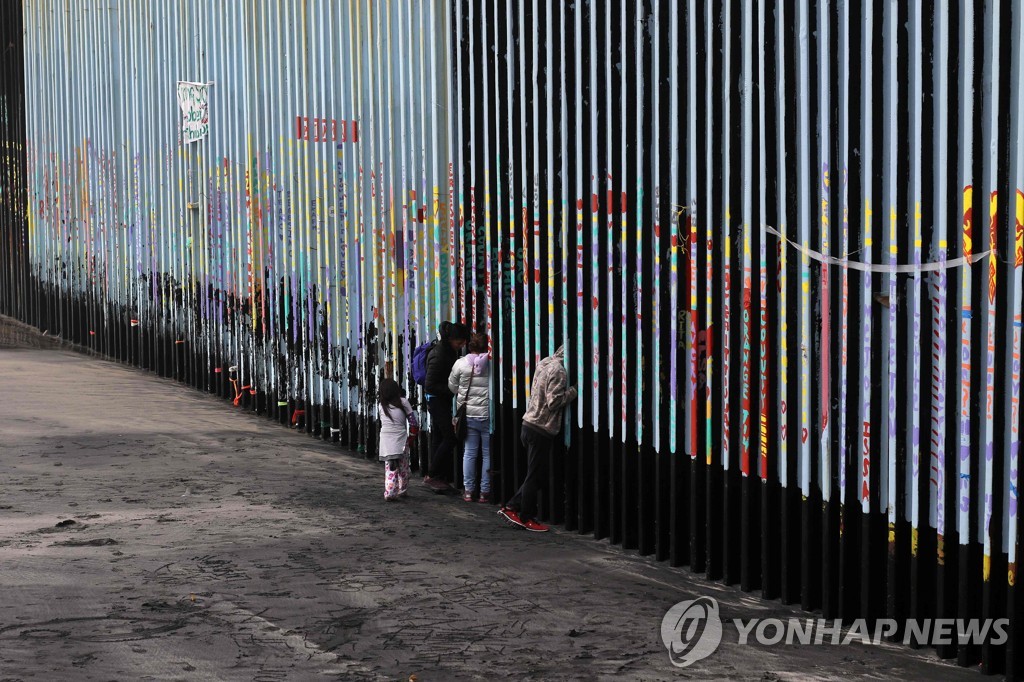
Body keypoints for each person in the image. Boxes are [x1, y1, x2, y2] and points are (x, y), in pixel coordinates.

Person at [499, 344, 577, 532]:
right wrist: (574, 390)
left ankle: (513, 506)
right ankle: (524, 516)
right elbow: (554, 402)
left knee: (537, 475)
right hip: (541, 429)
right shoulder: (560, 372)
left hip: (528, 425)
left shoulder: (545, 363)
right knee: (535, 476)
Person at [423, 320, 469, 492]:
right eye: (460, 341)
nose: (463, 344)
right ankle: (432, 474)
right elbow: (430, 384)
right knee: (450, 438)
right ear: (451, 339)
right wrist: (452, 390)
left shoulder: (448, 351)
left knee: (438, 438)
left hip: (438, 399)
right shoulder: (440, 354)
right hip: (436, 400)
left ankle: (438, 477)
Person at [449, 333, 492, 503]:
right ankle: (484, 492)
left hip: (468, 415)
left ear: (470, 346)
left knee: (470, 453)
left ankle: (468, 491)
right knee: (487, 455)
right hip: (487, 415)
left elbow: (452, 386)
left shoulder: (460, 364)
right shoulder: (491, 363)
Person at [377, 378, 418, 501]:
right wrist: (412, 437)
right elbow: (413, 423)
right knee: (403, 466)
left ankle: (390, 492)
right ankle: (402, 489)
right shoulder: (403, 402)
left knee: (390, 468)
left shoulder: (381, 405)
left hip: (386, 439)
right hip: (401, 438)